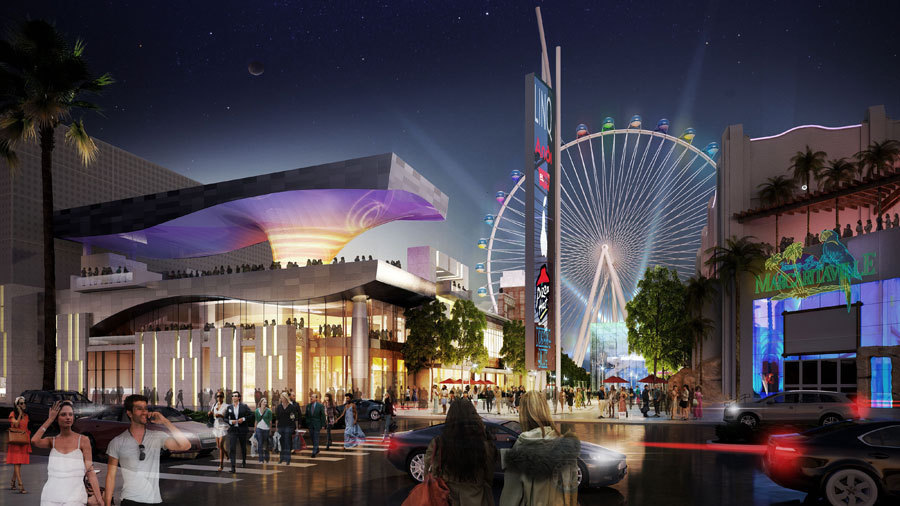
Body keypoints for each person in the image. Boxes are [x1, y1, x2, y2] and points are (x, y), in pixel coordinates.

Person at [104, 394, 191, 505]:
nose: (144, 412)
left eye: (145, 408)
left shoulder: (157, 436)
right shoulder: (117, 442)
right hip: (130, 500)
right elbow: (111, 477)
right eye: (139, 409)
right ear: (129, 413)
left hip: (154, 500)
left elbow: (185, 445)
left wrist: (165, 421)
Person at [499, 392, 580, 506]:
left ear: (524, 415)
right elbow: (572, 491)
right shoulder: (565, 446)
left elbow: (510, 498)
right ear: (545, 410)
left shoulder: (521, 448)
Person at [424, 397, 496, 506]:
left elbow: (428, 471)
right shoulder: (484, 445)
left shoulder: (439, 443)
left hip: (446, 499)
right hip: (477, 498)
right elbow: (489, 477)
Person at [30, 401, 103, 505]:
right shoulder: (52, 441)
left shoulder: (83, 440)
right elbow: (34, 441)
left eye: (70, 414)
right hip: (50, 497)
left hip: (75, 497)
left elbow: (90, 472)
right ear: (57, 418)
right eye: (63, 415)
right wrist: (50, 419)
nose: (68, 417)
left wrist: (99, 499)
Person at [6, 396, 31, 494]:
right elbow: (16, 425)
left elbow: (25, 428)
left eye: (24, 402)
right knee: (17, 462)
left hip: (23, 441)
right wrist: (20, 414)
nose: (23, 404)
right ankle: (21, 485)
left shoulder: (27, 416)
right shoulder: (13, 414)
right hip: (16, 442)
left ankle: (13, 481)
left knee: (19, 463)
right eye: (21, 403)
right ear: (17, 405)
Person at [225, 391, 253, 473]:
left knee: (243, 447)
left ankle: (244, 461)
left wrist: (243, 419)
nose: (234, 397)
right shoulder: (229, 407)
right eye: (233, 396)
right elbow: (225, 418)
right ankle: (233, 467)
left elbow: (251, 414)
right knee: (232, 448)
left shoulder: (244, 406)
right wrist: (230, 421)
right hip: (233, 430)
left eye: (236, 396)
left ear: (239, 397)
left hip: (242, 429)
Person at [274, 392, 299, 464]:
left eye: (282, 397)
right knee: (281, 443)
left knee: (287, 442)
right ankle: (282, 458)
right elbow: (277, 419)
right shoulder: (279, 407)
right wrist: (276, 428)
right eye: (281, 397)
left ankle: (288, 459)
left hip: (289, 427)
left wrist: (296, 427)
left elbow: (293, 418)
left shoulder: (291, 407)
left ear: (285, 398)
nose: (281, 398)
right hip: (281, 427)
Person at [208, 391, 229, 471]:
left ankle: (221, 465)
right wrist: (210, 413)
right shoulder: (214, 405)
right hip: (216, 426)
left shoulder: (226, 406)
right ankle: (226, 453)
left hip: (223, 426)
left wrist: (221, 415)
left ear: (223, 397)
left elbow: (227, 417)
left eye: (220, 396)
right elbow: (212, 414)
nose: (219, 398)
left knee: (220, 444)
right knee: (219, 446)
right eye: (217, 396)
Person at [305, 393, 326, 457]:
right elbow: (307, 415)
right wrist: (307, 422)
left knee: (316, 437)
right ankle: (317, 448)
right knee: (312, 437)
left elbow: (323, 416)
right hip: (310, 424)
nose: (311, 398)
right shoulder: (308, 406)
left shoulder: (320, 406)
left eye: (313, 397)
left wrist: (323, 424)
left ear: (316, 398)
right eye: (311, 397)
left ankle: (314, 452)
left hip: (317, 424)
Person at [254, 397, 273, 463]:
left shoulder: (269, 411)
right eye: (264, 402)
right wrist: (255, 430)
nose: (265, 403)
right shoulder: (256, 411)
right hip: (259, 428)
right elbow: (256, 420)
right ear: (261, 402)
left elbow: (270, 421)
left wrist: (270, 430)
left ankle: (267, 458)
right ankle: (261, 459)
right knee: (260, 444)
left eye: (266, 402)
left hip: (266, 429)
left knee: (266, 444)